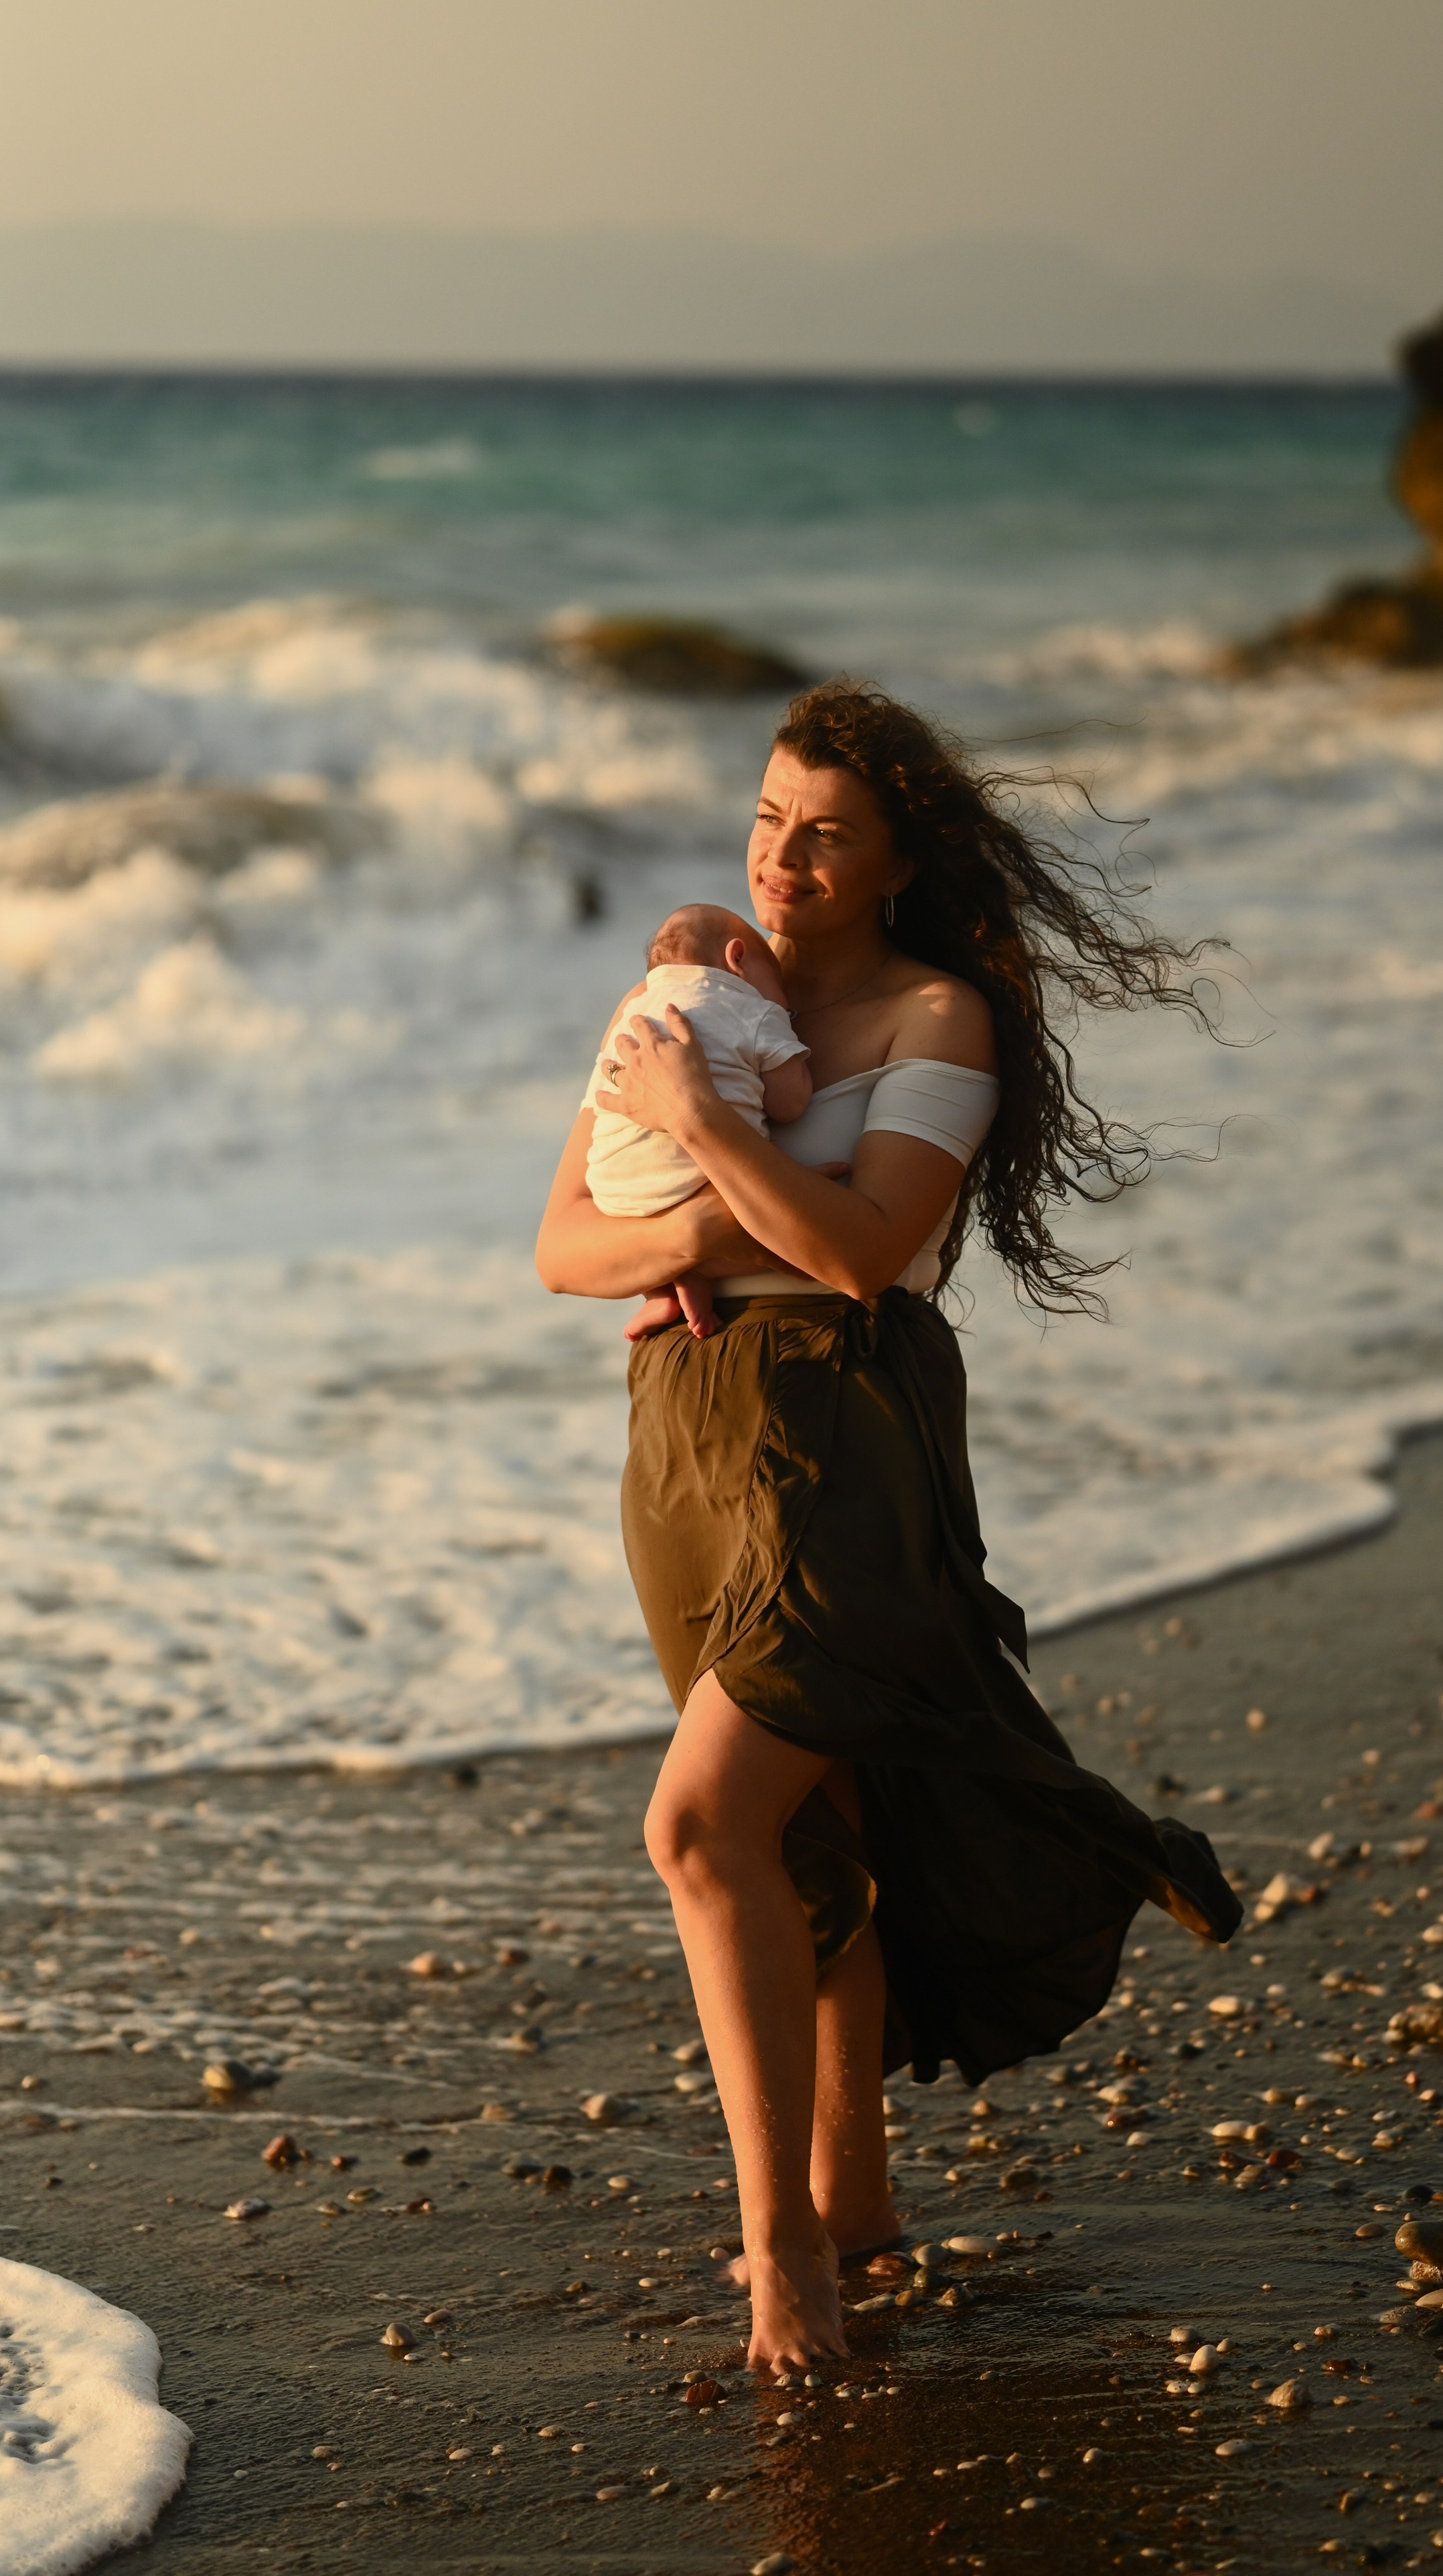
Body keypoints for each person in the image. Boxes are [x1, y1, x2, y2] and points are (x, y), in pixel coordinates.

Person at [535, 678, 1241, 2379]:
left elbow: (864, 1252)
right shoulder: (683, 995)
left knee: (698, 1827)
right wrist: (710, 1226)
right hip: (687, 1447)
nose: (784, 858)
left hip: (850, 1431)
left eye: (826, 833)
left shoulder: (942, 1021)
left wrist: (702, 1150)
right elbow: (562, 1244)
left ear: (898, 857)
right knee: (802, 1847)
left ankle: (781, 2243)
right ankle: (851, 2196)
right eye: (769, 820)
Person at [583, 901, 812, 1342]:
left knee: (657, 1178)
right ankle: (695, 1275)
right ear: (737, 958)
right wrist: (791, 1041)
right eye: (780, 990)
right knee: (711, 1177)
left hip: (614, 1194)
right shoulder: (754, 1011)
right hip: (697, 1183)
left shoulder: (633, 1016)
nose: (783, 1003)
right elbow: (791, 1104)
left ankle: (665, 1290)